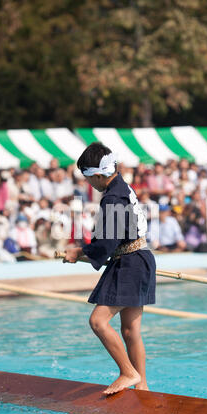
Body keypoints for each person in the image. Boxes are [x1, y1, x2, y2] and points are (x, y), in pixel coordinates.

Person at [63, 142, 156, 395]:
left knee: (98, 322)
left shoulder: (113, 197)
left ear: (97, 175)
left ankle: (128, 372)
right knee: (130, 330)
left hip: (129, 263)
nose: (89, 184)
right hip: (142, 257)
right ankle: (143, 387)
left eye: (88, 178)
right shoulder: (122, 186)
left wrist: (80, 251)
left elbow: (107, 242)